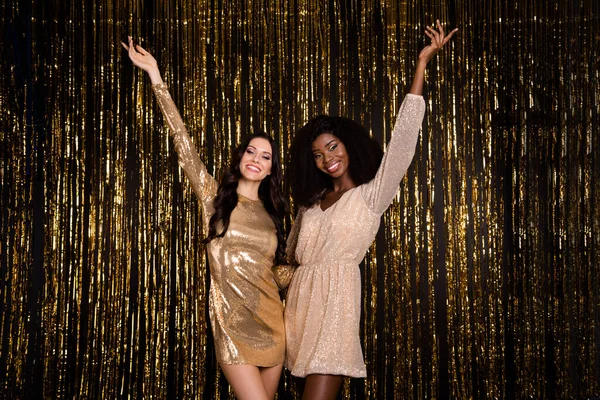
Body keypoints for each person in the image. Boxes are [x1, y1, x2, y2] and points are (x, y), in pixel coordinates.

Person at [284, 21, 458, 399]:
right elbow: (289, 263)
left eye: (332, 147)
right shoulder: (309, 207)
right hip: (296, 314)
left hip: (335, 311)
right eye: (317, 154)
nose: (327, 158)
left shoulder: (369, 196)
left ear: (348, 145)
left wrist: (421, 67)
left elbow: (402, 144)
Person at [121, 37, 291, 400]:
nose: (256, 159)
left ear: (270, 170)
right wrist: (155, 76)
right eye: (251, 151)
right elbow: (182, 141)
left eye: (265, 157)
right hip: (231, 326)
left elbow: (275, 273)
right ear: (241, 156)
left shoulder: (273, 215)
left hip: (274, 327)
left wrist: (313, 267)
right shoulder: (213, 197)